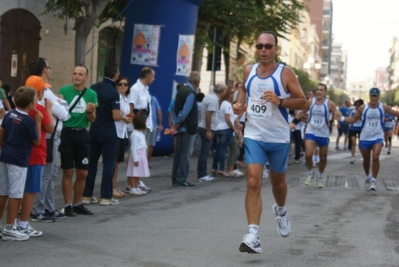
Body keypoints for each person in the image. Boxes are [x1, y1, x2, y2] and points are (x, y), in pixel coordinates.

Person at [233, 31, 306, 254]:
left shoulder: (286, 73)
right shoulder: (249, 70)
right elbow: (244, 93)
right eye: (259, 46)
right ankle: (253, 235)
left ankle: (281, 211)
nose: (263, 50)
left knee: (278, 184)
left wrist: (280, 100)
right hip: (254, 135)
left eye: (268, 46)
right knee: (253, 181)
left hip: (278, 138)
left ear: (275, 49)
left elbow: (303, 101)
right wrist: (239, 105)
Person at [335, 87, 399, 191]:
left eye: (376, 96)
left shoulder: (383, 107)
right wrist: (341, 118)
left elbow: (395, 113)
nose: (374, 98)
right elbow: (353, 119)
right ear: (369, 96)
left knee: (375, 157)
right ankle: (368, 176)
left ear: (379, 97)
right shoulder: (363, 108)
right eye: (372, 96)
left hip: (377, 136)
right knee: (366, 160)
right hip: (365, 137)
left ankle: (374, 180)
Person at [29, 58, 69, 221]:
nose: (51, 71)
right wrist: (61, 102)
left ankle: (48, 207)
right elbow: (64, 113)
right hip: (49, 135)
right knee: (46, 174)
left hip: (51, 135)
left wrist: (61, 103)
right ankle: (37, 209)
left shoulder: (44, 91)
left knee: (51, 173)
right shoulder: (44, 92)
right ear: (45, 70)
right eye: (50, 67)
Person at [0, 86, 42, 241]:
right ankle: (10, 227)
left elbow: (1, 132)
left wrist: (3, 148)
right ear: (31, 105)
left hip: (5, 156)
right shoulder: (28, 121)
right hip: (19, 160)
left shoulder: (9, 114)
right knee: (15, 194)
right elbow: (36, 141)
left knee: (2, 192)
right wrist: (38, 122)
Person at [58, 64, 97, 217]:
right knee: (68, 171)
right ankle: (68, 205)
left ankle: (77, 203)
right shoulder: (63, 91)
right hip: (67, 133)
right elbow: (59, 113)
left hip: (82, 134)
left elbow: (92, 119)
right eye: (74, 73)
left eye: (80, 74)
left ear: (86, 77)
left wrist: (91, 112)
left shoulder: (91, 94)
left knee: (83, 173)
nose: (76, 76)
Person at [17, 76, 54, 236]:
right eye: (43, 89)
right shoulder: (40, 109)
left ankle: (14, 223)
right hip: (36, 154)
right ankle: (23, 224)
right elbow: (50, 128)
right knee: (31, 190)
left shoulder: (17, 109)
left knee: (17, 190)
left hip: (20, 154)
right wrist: (49, 109)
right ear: (38, 93)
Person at [82, 63, 121, 207]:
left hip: (93, 129)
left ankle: (86, 194)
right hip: (108, 131)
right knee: (108, 164)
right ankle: (105, 196)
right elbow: (116, 116)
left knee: (91, 163)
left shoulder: (93, 88)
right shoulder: (113, 92)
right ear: (115, 75)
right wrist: (122, 114)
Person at [291, 83, 339, 188]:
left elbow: (336, 113)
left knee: (323, 157)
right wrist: (294, 122)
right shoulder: (310, 102)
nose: (319, 92)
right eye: (317, 89)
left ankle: (320, 176)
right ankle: (310, 172)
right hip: (311, 131)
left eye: (321, 90)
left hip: (323, 133)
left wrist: (338, 117)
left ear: (325, 92)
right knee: (308, 154)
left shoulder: (329, 103)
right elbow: (302, 113)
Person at [171, 71, 201, 187]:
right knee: (185, 154)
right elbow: (185, 111)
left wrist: (175, 122)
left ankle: (175, 178)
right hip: (187, 127)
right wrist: (178, 122)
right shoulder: (190, 93)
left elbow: (174, 107)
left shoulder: (181, 90)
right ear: (197, 82)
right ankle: (181, 179)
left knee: (179, 153)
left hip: (181, 127)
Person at [196, 83, 226, 182]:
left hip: (204, 126)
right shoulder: (213, 100)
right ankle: (201, 175)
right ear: (222, 91)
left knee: (204, 152)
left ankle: (203, 173)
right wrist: (208, 131)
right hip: (207, 128)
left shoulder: (208, 97)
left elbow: (204, 114)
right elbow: (208, 115)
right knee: (204, 152)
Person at [112, 77, 132, 198]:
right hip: (115, 131)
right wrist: (123, 118)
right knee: (114, 162)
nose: (123, 86)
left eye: (125, 84)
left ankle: (114, 186)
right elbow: (116, 114)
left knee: (118, 162)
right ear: (116, 86)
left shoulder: (125, 99)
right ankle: (111, 187)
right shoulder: (116, 98)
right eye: (120, 84)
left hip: (122, 132)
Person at [212, 85, 235, 176]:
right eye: (231, 92)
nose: (233, 94)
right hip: (226, 128)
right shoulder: (227, 104)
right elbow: (228, 118)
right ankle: (221, 168)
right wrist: (233, 128)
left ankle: (214, 167)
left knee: (218, 149)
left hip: (218, 128)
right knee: (222, 149)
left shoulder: (219, 103)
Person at [126, 112, 150, 195]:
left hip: (141, 155)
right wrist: (135, 159)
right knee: (134, 173)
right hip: (137, 156)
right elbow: (133, 148)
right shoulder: (135, 134)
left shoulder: (140, 133)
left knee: (137, 173)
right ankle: (133, 187)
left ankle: (136, 187)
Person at [168, 83, 184, 153]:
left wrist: (170, 124)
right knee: (183, 140)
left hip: (174, 123)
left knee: (175, 139)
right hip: (183, 123)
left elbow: (169, 113)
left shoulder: (173, 100)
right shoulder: (184, 100)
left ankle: (175, 153)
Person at [147, 95, 163, 164]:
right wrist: (160, 124)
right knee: (150, 145)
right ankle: (147, 163)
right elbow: (159, 112)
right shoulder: (153, 99)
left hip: (141, 125)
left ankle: (141, 163)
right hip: (152, 125)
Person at [348, 99, 364, 164]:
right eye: (356, 104)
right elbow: (349, 117)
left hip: (361, 128)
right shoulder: (352, 110)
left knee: (361, 144)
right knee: (353, 143)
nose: (357, 106)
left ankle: (364, 156)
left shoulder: (363, 110)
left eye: (358, 105)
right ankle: (352, 157)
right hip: (353, 128)